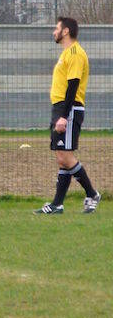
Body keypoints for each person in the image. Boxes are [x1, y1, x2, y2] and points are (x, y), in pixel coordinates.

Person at [35, 17, 101, 214]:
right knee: (62, 157)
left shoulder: (75, 53)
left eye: (56, 28)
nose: (54, 32)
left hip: (69, 109)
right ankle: (57, 204)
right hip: (61, 108)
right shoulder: (66, 54)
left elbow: (73, 85)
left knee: (65, 155)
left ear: (65, 31)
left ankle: (91, 193)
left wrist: (64, 116)